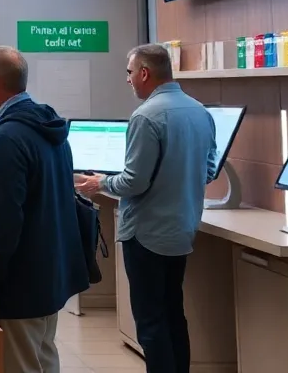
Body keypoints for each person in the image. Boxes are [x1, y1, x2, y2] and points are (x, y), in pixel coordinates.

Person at [75, 45, 217, 373]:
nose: (127, 79)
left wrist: (100, 183)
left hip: (147, 234)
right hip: (181, 229)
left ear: (144, 73)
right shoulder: (200, 111)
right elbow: (209, 170)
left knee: (151, 321)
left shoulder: (146, 116)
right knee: (173, 313)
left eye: (129, 72)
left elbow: (134, 182)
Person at [0, 46, 88, 373]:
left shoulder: (8, 137)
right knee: (44, 357)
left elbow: (4, 220)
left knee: (19, 363)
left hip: (19, 281)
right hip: (49, 274)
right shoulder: (50, 127)